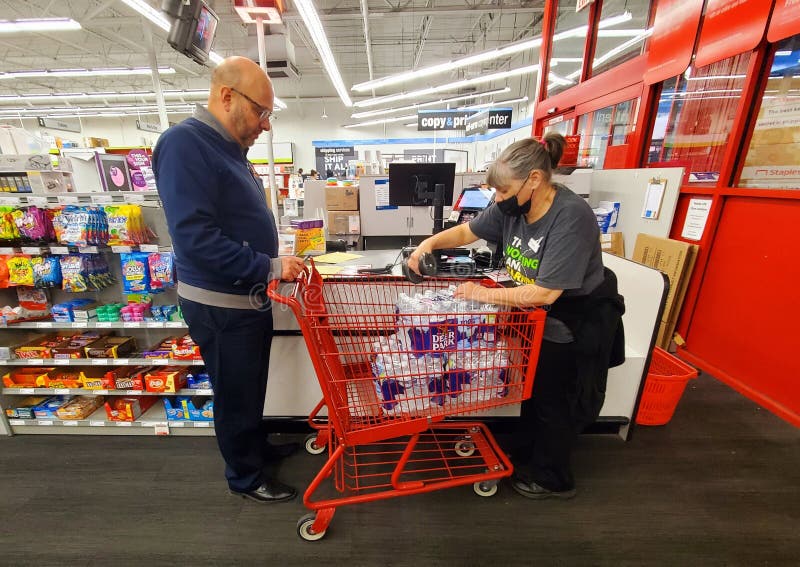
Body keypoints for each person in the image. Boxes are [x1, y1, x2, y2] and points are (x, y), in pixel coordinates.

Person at [408, 133, 625, 500]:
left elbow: (545, 292)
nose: (498, 200)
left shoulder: (569, 216)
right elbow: (467, 230)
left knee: (556, 399)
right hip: (535, 315)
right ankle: (529, 452)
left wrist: (479, 293)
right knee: (534, 391)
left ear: (535, 180)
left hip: (573, 318)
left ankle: (552, 478)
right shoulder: (514, 206)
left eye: (504, 191)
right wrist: (427, 244)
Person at [153, 56, 306, 504]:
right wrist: (269, 266)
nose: (265, 124)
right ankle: (245, 475)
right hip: (220, 305)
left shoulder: (229, 150)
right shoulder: (185, 144)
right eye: (261, 111)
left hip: (245, 301)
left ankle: (256, 449)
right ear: (226, 96)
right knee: (236, 393)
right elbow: (196, 239)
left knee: (251, 385)